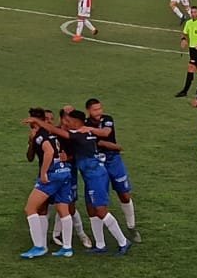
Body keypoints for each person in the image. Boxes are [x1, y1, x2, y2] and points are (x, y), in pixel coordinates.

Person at [32, 109, 132, 255]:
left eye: (69, 121)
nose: (67, 123)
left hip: (96, 176)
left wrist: (37, 122)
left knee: (100, 210)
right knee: (92, 210)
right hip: (92, 176)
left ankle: (123, 241)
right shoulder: (89, 133)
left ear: (77, 122)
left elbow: (56, 130)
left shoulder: (79, 134)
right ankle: (100, 245)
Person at [83, 98, 141, 242]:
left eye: (100, 108)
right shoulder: (84, 123)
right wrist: (109, 144)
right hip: (97, 162)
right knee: (98, 199)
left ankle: (132, 227)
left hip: (113, 159)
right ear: (88, 111)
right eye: (95, 109)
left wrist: (94, 134)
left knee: (124, 194)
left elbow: (105, 133)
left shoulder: (106, 119)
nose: (99, 112)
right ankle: (100, 239)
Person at [20, 114, 76, 258]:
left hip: (53, 175)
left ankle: (39, 246)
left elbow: (49, 152)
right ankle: (67, 247)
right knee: (63, 209)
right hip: (65, 172)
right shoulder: (53, 134)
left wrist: (44, 173)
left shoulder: (41, 135)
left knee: (30, 208)